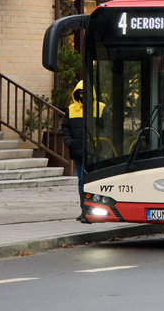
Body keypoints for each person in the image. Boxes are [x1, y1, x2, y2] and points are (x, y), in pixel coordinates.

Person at [61, 79, 104, 222]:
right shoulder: (71, 109)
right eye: (80, 93)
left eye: (84, 93)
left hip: (95, 151)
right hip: (78, 151)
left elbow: (108, 128)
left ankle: (95, 208)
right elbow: (65, 128)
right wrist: (71, 143)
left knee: (93, 180)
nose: (82, 96)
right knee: (81, 180)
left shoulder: (100, 108)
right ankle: (84, 209)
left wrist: (100, 144)